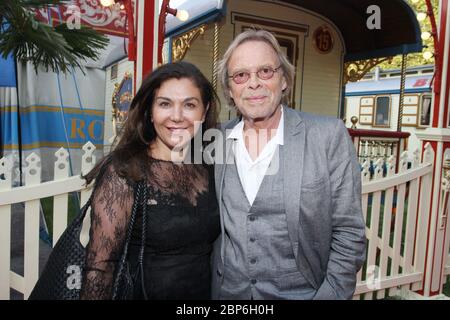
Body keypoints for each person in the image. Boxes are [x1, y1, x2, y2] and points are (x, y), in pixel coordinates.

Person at [211, 29, 366, 300]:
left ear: (283, 79)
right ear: (230, 89)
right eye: (241, 75)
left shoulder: (328, 135)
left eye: (266, 71)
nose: (254, 83)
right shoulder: (215, 140)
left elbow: (349, 233)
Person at [80, 61, 220, 299]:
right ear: (150, 112)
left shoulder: (209, 166)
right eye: (165, 104)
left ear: (204, 112)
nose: (177, 116)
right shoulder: (124, 171)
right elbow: (100, 267)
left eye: (189, 105)